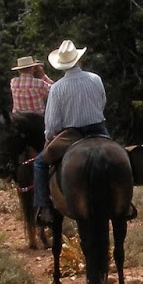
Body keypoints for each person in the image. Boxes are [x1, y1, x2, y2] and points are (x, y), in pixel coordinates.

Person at [33, 38, 109, 223]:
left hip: (71, 135)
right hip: (99, 129)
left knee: (40, 163)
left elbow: (52, 124)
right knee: (121, 156)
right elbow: (102, 103)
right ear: (79, 59)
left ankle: (45, 208)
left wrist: (49, 138)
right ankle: (126, 202)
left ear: (61, 65)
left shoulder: (57, 88)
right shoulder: (95, 79)